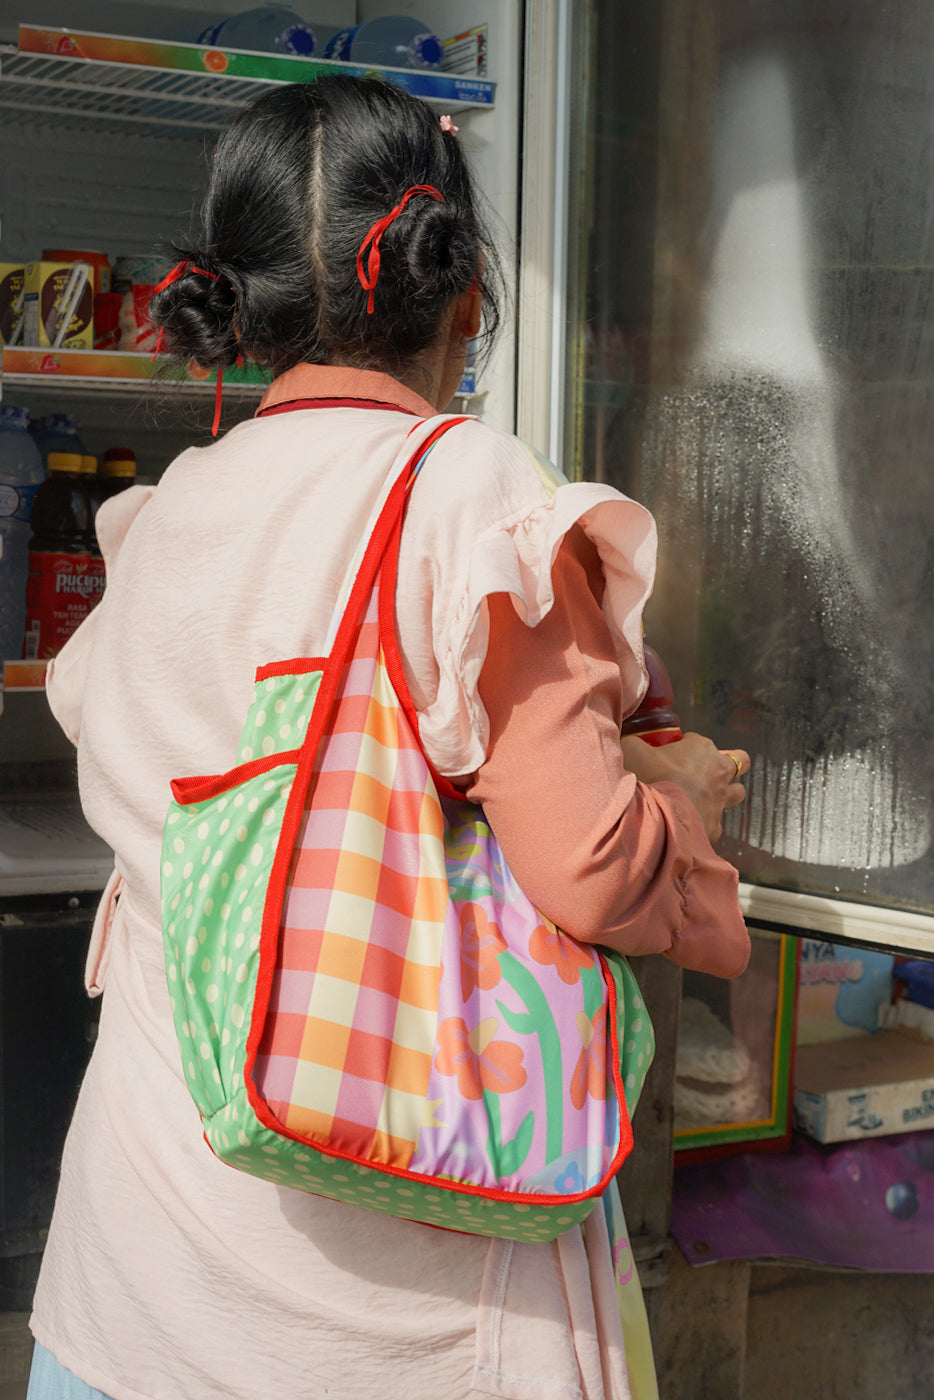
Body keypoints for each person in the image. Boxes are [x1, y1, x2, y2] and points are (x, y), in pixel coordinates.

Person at [26, 77, 750, 1400]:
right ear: (463, 298)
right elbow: (589, 866)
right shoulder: (463, 493)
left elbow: (239, 751)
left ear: (235, 302)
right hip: (383, 1320)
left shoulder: (165, 512)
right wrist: (683, 800)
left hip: (127, 1287)